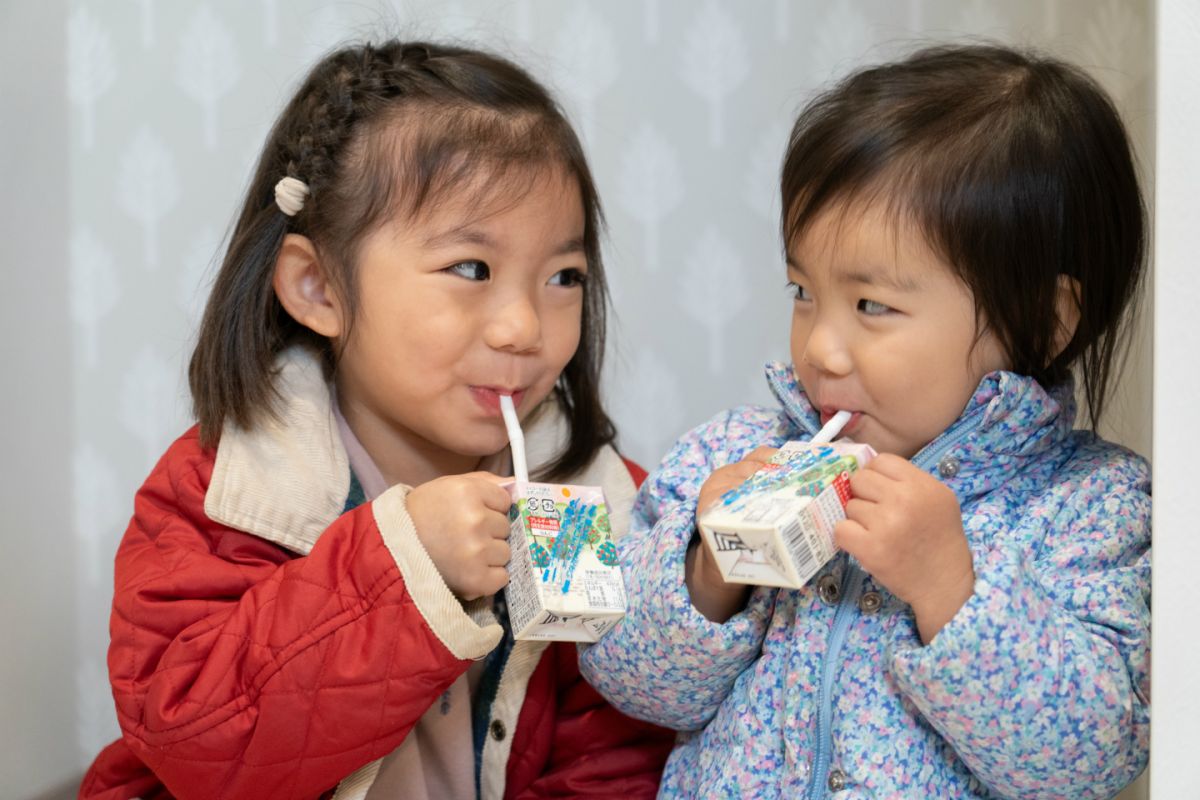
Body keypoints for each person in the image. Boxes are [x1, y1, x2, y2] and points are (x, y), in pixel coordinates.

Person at [79, 39, 672, 800]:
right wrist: (406, 566)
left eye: (563, 276)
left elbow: (620, 756)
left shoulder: (605, 505)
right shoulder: (223, 489)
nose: (525, 326)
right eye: (471, 269)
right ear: (317, 287)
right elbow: (193, 740)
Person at [579, 43, 1150, 799]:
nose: (820, 347)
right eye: (802, 293)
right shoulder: (738, 452)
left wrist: (950, 586)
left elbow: (1088, 763)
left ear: (1046, 322)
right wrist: (709, 569)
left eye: (872, 306)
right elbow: (632, 686)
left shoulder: (1092, 506)